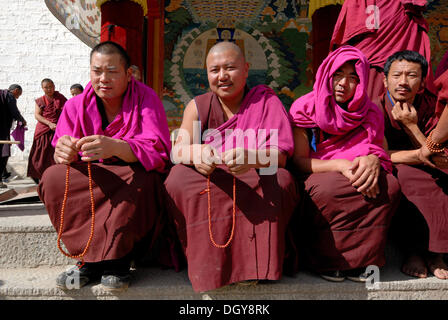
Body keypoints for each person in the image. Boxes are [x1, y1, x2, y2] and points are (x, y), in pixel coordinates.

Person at [164, 41, 300, 292]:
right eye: (214, 70)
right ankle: (206, 266)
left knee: (280, 179)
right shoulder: (199, 106)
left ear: (246, 69)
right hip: (214, 175)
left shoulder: (266, 102)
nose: (222, 76)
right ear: (207, 74)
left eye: (230, 68)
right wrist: (195, 153)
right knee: (177, 179)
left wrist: (252, 158)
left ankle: (255, 265)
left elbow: (281, 157)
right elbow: (177, 150)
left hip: (252, 173)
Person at [37, 41, 171, 292]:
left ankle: (118, 260)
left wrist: (118, 147)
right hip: (91, 173)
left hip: (130, 173)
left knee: (143, 180)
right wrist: (64, 152)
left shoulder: (146, 98)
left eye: (111, 71)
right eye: (97, 71)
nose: (103, 79)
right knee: (53, 178)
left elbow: (159, 150)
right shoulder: (76, 105)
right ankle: (87, 258)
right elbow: (61, 149)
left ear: (128, 74)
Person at [289, 46, 401, 282]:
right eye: (337, 75)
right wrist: (339, 165)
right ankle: (327, 261)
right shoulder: (305, 108)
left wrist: (373, 159)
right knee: (329, 189)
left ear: (361, 83)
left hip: (357, 168)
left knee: (388, 186)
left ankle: (363, 262)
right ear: (326, 75)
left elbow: (379, 149)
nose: (343, 84)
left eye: (353, 78)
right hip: (319, 170)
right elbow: (298, 162)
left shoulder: (370, 112)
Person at [375, 51, 448, 279]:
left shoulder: (431, 107)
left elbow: (442, 158)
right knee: (405, 179)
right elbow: (380, 153)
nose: (403, 82)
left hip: (433, 166)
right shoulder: (375, 108)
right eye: (397, 75)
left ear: (423, 82)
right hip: (397, 167)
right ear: (386, 80)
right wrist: (420, 155)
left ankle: (437, 253)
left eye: (412, 75)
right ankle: (413, 251)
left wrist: (411, 127)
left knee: (441, 183)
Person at [330, 0, 435, 100]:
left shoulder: (404, 7)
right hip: (364, 66)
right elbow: (346, 39)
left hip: (400, 59)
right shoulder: (358, 3)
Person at [27, 78, 67, 184]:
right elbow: (37, 115)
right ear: (42, 88)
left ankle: (55, 177)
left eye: (51, 86)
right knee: (40, 154)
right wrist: (49, 124)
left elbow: (67, 112)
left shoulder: (61, 98)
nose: (49, 89)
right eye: (46, 87)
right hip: (43, 130)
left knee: (55, 154)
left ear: (54, 86)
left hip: (57, 130)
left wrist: (61, 125)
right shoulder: (40, 100)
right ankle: (38, 176)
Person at [0, 84, 27, 188]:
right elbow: (14, 111)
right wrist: (22, 120)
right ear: (15, 90)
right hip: (1, 131)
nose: (17, 97)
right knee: (4, 153)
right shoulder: (9, 96)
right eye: (18, 95)